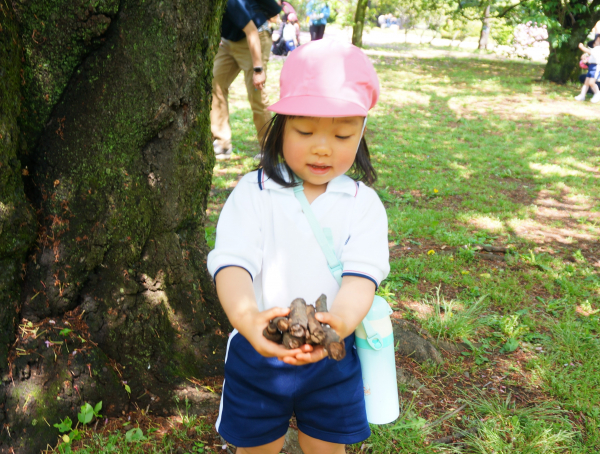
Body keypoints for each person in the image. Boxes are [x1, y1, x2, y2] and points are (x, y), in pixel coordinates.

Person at [207, 39, 389, 454]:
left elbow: (364, 278)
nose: (323, 147)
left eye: (343, 135)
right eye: (305, 131)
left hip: (331, 356)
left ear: (361, 133)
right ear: (280, 126)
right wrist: (249, 319)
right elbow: (231, 264)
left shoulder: (363, 206)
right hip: (258, 352)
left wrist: (337, 323)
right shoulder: (253, 193)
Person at [211, 0, 282, 160]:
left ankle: (269, 149)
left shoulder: (230, 3)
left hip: (255, 37)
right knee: (215, 83)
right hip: (229, 42)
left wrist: (258, 70)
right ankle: (222, 142)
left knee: (256, 92)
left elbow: (251, 32)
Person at [575, 35, 600, 103]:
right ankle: (582, 95)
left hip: (596, 67)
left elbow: (591, 52)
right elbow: (592, 59)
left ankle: (597, 94)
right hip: (592, 66)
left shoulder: (598, 49)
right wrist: (585, 61)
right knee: (586, 82)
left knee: (592, 82)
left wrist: (582, 47)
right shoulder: (595, 49)